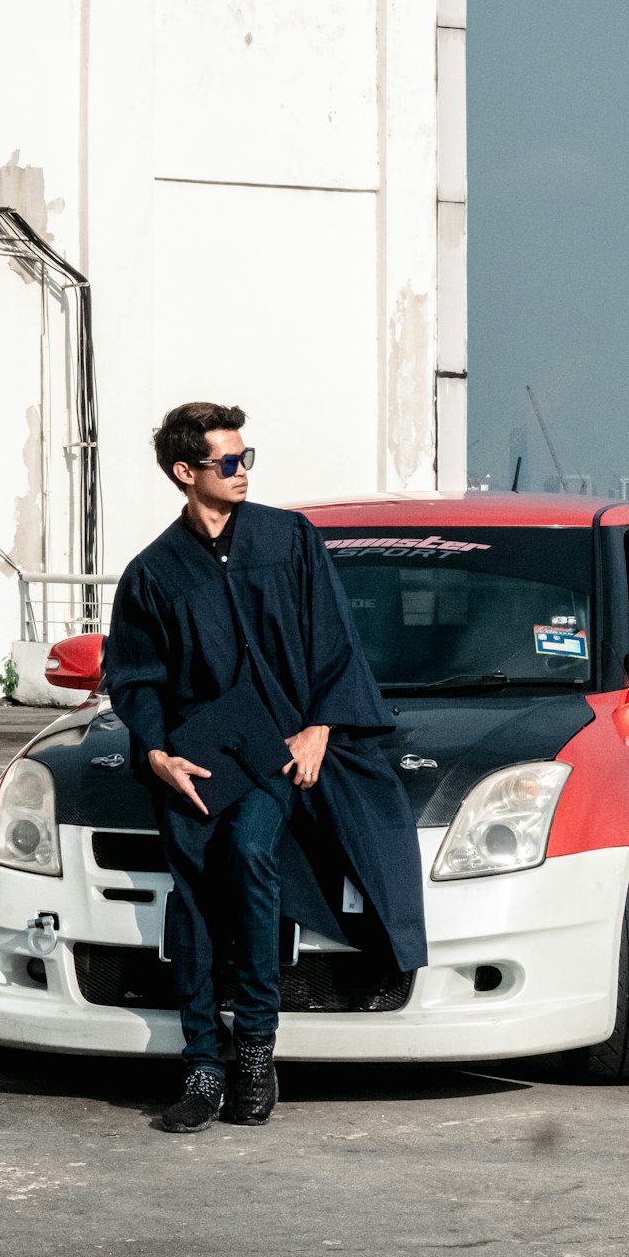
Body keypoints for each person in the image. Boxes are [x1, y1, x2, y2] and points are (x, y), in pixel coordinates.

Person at [103, 402, 427, 1133]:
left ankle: (254, 1047)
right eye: (228, 461)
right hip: (201, 751)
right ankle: (202, 1064)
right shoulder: (154, 573)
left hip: (280, 745)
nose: (243, 471)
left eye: (248, 457)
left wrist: (320, 727)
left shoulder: (289, 539)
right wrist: (156, 749)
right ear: (187, 473)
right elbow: (136, 678)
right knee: (191, 898)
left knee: (251, 851)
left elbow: (335, 641)